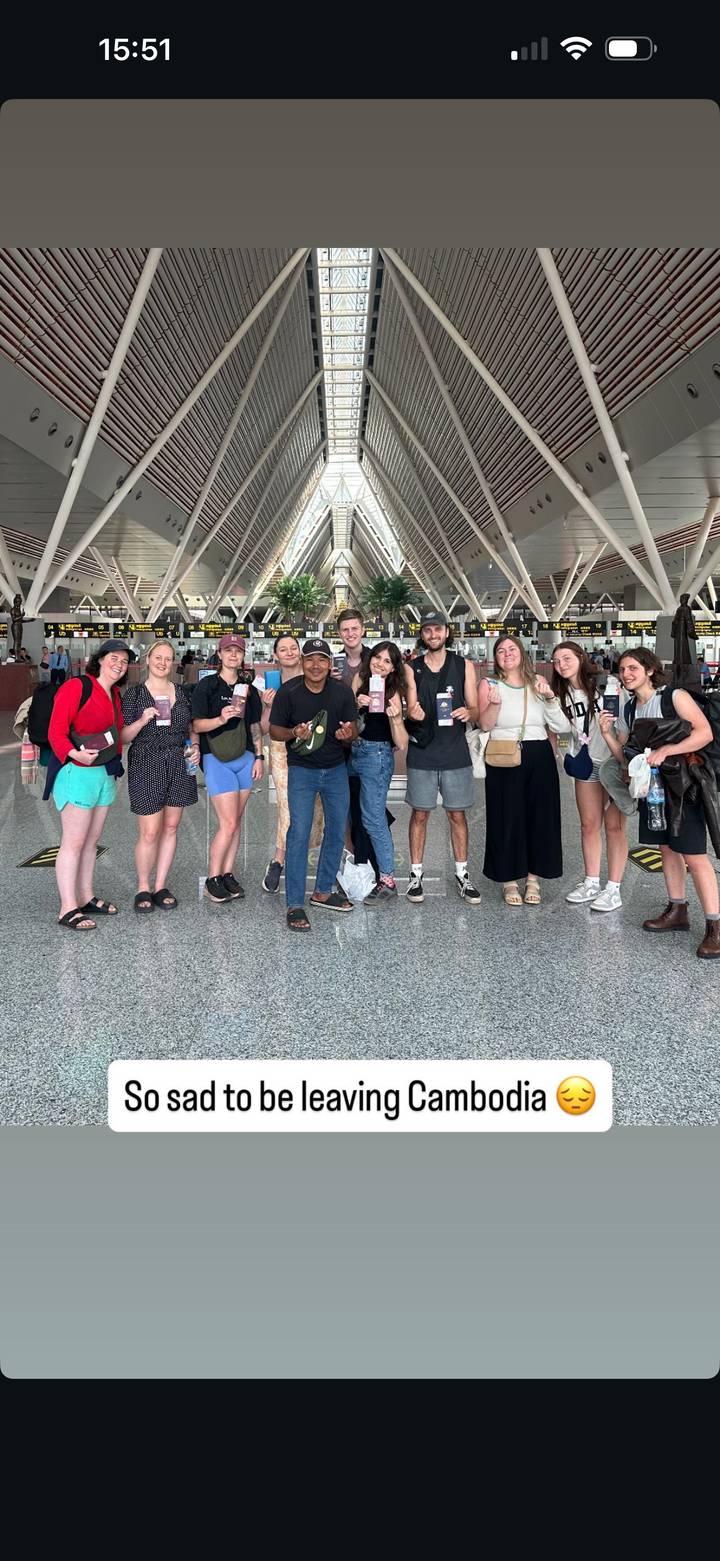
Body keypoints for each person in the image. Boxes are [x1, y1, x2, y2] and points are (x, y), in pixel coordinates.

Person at [599, 648, 720, 958]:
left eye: (633, 667)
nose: (626, 674)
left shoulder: (673, 697)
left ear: (650, 669)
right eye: (622, 669)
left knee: (693, 854)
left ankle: (715, 927)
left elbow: (704, 733)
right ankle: (677, 908)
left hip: (683, 786)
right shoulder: (628, 709)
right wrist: (608, 735)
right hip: (652, 789)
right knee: (666, 848)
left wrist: (668, 750)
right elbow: (626, 758)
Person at [269, 638, 358, 930]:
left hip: (335, 770)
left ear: (330, 664)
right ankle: (295, 902)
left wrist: (349, 734)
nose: (316, 665)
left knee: (335, 830)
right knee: (299, 832)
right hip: (302, 771)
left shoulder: (342, 691)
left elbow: (352, 726)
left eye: (322, 659)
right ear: (302, 663)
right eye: (310, 659)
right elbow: (274, 730)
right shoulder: (289, 692)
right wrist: (293, 731)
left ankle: (322, 891)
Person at [478, 634, 570, 905]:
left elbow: (561, 727)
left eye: (512, 649)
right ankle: (508, 879)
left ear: (522, 653)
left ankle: (533, 878)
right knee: (506, 817)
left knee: (540, 817)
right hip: (503, 753)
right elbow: (484, 725)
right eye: (501, 651)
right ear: (495, 658)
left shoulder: (538, 684)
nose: (507, 654)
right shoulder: (489, 684)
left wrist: (551, 698)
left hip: (538, 753)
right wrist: (494, 704)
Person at [47, 639, 129, 930]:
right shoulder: (77, 687)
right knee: (74, 842)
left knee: (91, 841)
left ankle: (85, 896)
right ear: (101, 659)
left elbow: (117, 735)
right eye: (114, 658)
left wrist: (144, 720)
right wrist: (75, 753)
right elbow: (56, 731)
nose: (119, 664)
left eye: (124, 660)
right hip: (78, 772)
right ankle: (67, 908)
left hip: (104, 774)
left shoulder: (115, 695)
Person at [403, 609, 482, 904]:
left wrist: (468, 712)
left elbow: (475, 709)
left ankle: (462, 873)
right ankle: (415, 875)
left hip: (454, 752)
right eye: (427, 630)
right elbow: (411, 708)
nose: (433, 635)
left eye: (438, 630)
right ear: (422, 635)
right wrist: (413, 712)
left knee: (457, 813)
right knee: (420, 813)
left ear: (447, 632)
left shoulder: (464, 666)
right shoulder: (412, 668)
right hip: (422, 751)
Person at [121, 641, 200, 912]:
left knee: (171, 827)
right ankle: (143, 886)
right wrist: (142, 720)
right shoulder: (134, 694)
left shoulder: (183, 692)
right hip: (146, 761)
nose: (163, 662)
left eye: (168, 658)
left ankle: (161, 884)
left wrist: (195, 747)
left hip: (179, 760)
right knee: (150, 831)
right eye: (158, 657)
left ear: (174, 663)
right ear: (148, 659)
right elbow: (123, 737)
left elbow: (192, 727)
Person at [551, 640, 629, 912]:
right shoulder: (560, 693)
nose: (562, 665)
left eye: (566, 658)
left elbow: (624, 725)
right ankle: (592, 881)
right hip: (585, 765)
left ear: (580, 657)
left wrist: (624, 762)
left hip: (611, 762)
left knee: (614, 826)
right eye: (557, 661)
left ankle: (614, 888)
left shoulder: (606, 686)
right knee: (588, 825)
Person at [191, 633, 263, 903]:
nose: (233, 655)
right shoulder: (207, 686)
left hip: (244, 758)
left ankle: (228, 873)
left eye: (238, 651)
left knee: (236, 823)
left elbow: (254, 725)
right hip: (216, 758)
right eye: (228, 650)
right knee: (228, 822)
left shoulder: (249, 688)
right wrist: (220, 719)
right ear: (219, 655)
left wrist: (259, 757)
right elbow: (196, 725)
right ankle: (212, 879)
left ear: (243, 656)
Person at [259, 632, 323, 893]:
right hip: (281, 749)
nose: (289, 652)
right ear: (275, 655)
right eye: (282, 649)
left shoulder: (315, 677)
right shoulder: (268, 685)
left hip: (313, 747)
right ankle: (279, 860)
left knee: (317, 806)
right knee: (288, 806)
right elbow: (263, 728)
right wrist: (266, 706)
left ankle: (312, 857)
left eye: (293, 648)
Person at [349, 641, 410, 901]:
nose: (380, 664)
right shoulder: (359, 679)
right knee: (353, 815)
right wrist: (355, 702)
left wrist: (395, 718)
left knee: (373, 817)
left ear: (394, 667)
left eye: (387, 661)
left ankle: (387, 879)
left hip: (377, 755)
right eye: (377, 657)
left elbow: (402, 742)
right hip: (352, 751)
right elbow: (347, 717)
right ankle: (358, 867)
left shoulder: (393, 691)